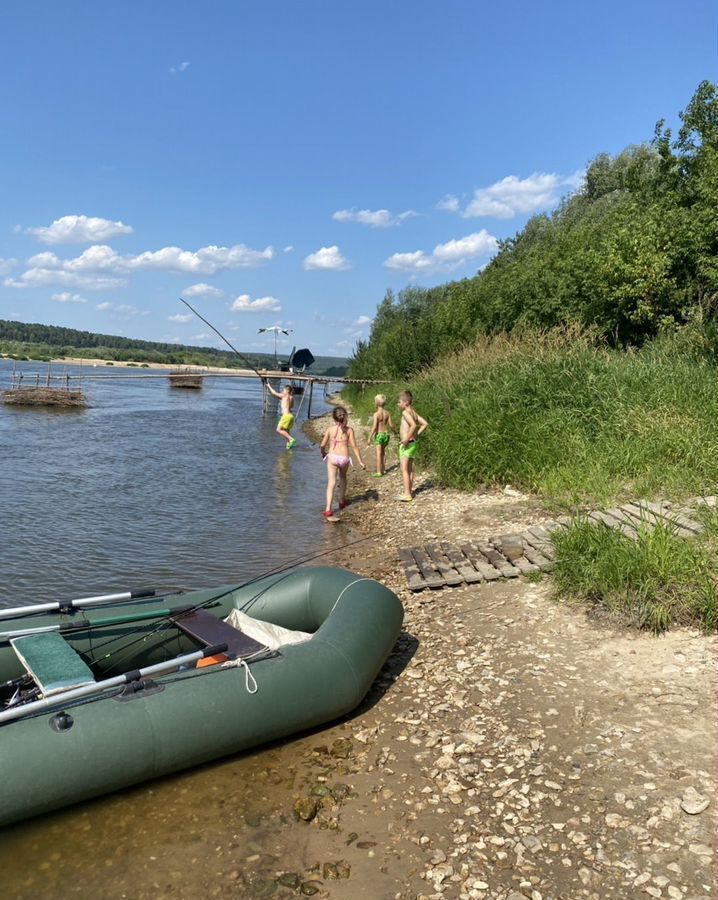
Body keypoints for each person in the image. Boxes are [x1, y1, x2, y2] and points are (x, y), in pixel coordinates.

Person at [320, 406, 366, 518]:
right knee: (343, 478)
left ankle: (328, 509)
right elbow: (354, 447)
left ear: (334, 419)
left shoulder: (330, 430)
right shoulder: (349, 430)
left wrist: (323, 453)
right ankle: (341, 501)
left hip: (333, 457)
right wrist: (360, 461)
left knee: (331, 483)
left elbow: (322, 445)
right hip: (344, 458)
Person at [396, 390, 428, 501]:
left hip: (407, 444)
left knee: (404, 469)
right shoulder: (413, 412)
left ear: (406, 403)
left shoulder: (405, 412)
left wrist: (406, 439)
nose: (398, 404)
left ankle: (407, 494)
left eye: (399, 402)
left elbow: (414, 425)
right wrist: (416, 435)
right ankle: (409, 490)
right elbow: (424, 423)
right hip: (413, 443)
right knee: (409, 469)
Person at [366, 394, 394, 477]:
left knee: (378, 453)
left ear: (376, 403)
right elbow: (391, 425)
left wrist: (369, 437)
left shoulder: (376, 414)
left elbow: (374, 427)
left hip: (379, 435)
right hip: (386, 434)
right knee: (383, 452)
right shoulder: (387, 413)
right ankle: (384, 469)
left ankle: (379, 472)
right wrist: (395, 431)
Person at [264, 380, 296, 449]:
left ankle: (291, 439)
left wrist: (268, 385)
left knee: (278, 430)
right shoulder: (291, 397)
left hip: (286, 416)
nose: (282, 391)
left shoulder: (284, 395)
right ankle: (289, 445)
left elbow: (274, 393)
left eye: (283, 390)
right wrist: (282, 399)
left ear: (287, 390)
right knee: (286, 431)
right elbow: (291, 406)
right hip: (291, 416)